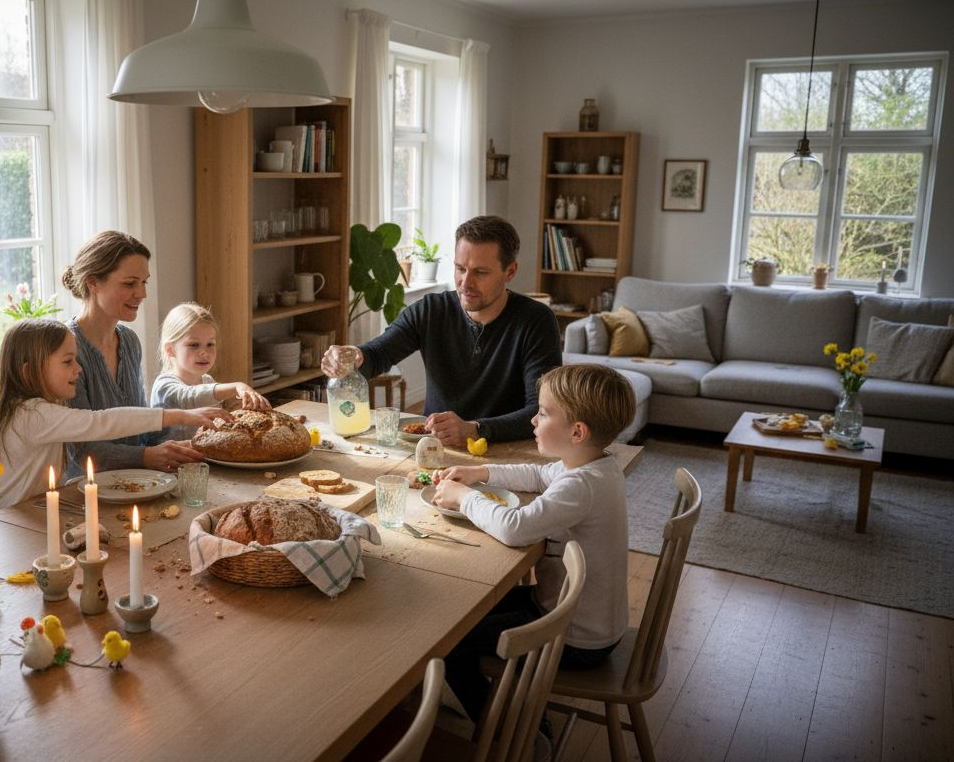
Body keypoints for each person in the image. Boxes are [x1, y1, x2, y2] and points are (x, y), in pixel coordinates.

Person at [431, 363, 636, 723]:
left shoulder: (581, 486)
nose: (533, 421)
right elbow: (540, 474)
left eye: (542, 413)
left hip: (574, 638)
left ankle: (506, 727)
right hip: (578, 616)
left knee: (450, 642)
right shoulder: (593, 465)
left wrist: (464, 497)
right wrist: (481, 472)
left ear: (577, 432)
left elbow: (514, 527)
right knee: (461, 610)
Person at [320, 215, 560, 446]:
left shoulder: (536, 321)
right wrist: (354, 356)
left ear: (510, 271)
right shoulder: (430, 310)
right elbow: (378, 354)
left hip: (508, 450)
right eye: (460, 269)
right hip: (435, 448)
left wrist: (475, 429)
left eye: (480, 272)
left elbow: (542, 411)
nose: (466, 284)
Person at [0, 318, 229, 509]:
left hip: (33, 512)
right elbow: (102, 421)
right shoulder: (32, 415)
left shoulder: (34, 410)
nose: (78, 368)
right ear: (29, 372)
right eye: (68, 361)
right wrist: (180, 415)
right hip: (12, 521)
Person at [62, 230, 208, 477]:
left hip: (137, 482)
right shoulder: (66, 348)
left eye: (144, 282)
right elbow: (83, 450)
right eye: (130, 283)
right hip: (86, 494)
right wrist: (148, 456)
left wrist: (183, 444)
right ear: (93, 282)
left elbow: (140, 430)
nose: (142, 294)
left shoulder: (129, 341)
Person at [150, 303, 270, 440]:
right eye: (194, 345)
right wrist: (237, 386)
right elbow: (189, 397)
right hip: (170, 459)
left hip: (201, 454)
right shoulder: (164, 385)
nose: (204, 352)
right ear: (170, 350)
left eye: (210, 344)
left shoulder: (207, 381)